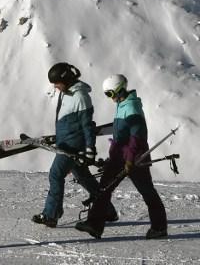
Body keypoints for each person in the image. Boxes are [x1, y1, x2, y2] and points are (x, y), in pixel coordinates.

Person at [75, 74, 167, 239]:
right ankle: (94, 225)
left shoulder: (132, 107)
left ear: (119, 89)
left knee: (147, 191)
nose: (110, 98)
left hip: (135, 159)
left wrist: (130, 159)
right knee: (104, 188)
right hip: (119, 157)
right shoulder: (122, 104)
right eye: (107, 95)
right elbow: (123, 135)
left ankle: (159, 228)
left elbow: (137, 137)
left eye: (110, 94)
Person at [32, 63, 118, 227]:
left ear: (66, 79)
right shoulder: (67, 92)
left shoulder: (80, 96)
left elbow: (87, 125)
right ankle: (108, 210)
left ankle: (51, 215)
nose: (55, 87)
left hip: (72, 145)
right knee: (84, 177)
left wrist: (89, 148)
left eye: (57, 83)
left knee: (56, 175)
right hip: (65, 141)